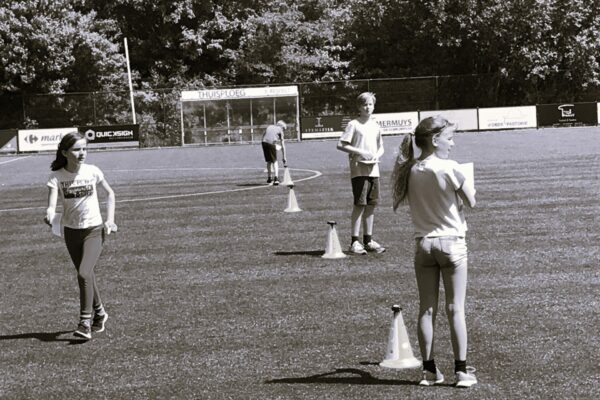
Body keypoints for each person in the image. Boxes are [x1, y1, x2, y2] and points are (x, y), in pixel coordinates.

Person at [391, 115, 477, 387]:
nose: (453, 143)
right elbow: (472, 201)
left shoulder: (410, 170)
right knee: (455, 309)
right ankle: (461, 371)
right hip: (451, 243)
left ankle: (429, 371)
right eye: (449, 138)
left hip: (424, 245)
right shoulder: (450, 167)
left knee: (426, 309)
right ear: (435, 139)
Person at [44, 132, 117, 340]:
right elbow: (51, 204)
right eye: (77, 149)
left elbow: (110, 193)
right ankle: (100, 313)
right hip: (71, 232)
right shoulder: (56, 177)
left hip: (94, 230)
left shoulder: (92, 171)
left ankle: (85, 322)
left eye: (84, 148)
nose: (82, 153)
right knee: (87, 275)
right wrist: (49, 213)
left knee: (84, 273)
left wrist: (110, 220)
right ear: (65, 152)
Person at [336, 92, 385, 255]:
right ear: (359, 107)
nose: (368, 107)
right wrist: (360, 152)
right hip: (359, 169)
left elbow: (381, 146)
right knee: (360, 204)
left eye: (370, 104)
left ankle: (368, 240)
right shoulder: (353, 124)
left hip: (374, 169)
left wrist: (377, 155)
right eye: (365, 104)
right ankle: (354, 242)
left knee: (371, 205)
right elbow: (341, 144)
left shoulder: (376, 126)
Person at [261, 120, 287, 185]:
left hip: (264, 143)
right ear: (281, 127)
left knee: (269, 161)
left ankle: (269, 178)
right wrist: (284, 157)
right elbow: (283, 145)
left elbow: (264, 135)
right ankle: (276, 179)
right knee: (275, 161)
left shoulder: (270, 126)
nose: (283, 131)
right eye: (284, 129)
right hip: (271, 143)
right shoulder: (280, 130)